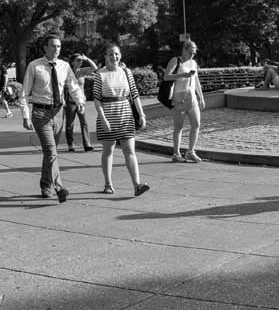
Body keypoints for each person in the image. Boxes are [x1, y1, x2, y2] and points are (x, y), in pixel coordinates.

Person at [20, 34, 84, 202]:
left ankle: (45, 185)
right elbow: (24, 94)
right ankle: (59, 187)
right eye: (53, 46)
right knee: (50, 151)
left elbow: (73, 86)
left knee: (51, 153)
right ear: (45, 48)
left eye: (59, 46)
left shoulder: (64, 66)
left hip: (58, 113)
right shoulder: (35, 66)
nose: (56, 49)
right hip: (41, 113)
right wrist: (26, 116)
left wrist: (80, 101)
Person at [92, 43, 150, 196]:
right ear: (105, 57)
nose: (114, 57)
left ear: (120, 56)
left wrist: (142, 114)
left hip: (125, 114)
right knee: (108, 151)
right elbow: (97, 99)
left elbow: (135, 94)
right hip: (108, 115)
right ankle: (108, 183)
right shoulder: (100, 74)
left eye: (116, 54)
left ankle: (137, 185)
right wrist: (103, 119)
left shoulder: (126, 71)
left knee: (130, 151)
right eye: (110, 54)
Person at [164, 40, 206, 163]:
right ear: (184, 50)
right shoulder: (176, 60)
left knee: (196, 124)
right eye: (189, 52)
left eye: (194, 53)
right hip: (179, 97)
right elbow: (166, 76)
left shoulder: (193, 62)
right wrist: (183, 75)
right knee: (179, 126)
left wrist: (201, 97)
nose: (191, 55)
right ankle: (176, 153)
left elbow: (196, 81)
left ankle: (190, 151)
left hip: (191, 97)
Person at [64, 53, 97, 152]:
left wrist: (87, 58)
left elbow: (94, 68)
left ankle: (87, 144)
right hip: (70, 102)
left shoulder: (81, 71)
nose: (80, 62)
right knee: (70, 124)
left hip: (81, 102)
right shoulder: (66, 72)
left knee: (84, 122)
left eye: (81, 60)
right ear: (72, 62)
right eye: (78, 60)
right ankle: (70, 144)